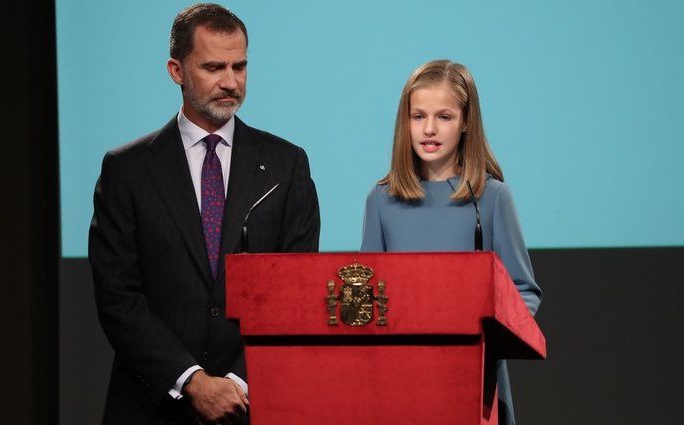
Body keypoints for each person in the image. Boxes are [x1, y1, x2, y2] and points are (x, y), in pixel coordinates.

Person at [88, 3, 320, 424]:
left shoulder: (287, 165)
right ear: (176, 70)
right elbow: (117, 296)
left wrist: (239, 382)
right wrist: (192, 381)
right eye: (214, 67)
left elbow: (298, 292)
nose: (230, 82)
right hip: (153, 406)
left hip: (258, 405)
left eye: (240, 66)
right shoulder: (127, 169)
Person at [360, 59, 542, 425]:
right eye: (418, 116)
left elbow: (524, 293)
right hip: (400, 384)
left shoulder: (491, 198)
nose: (429, 129)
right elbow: (366, 297)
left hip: (473, 384)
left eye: (443, 117)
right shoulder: (381, 199)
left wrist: (484, 335)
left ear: (465, 123)